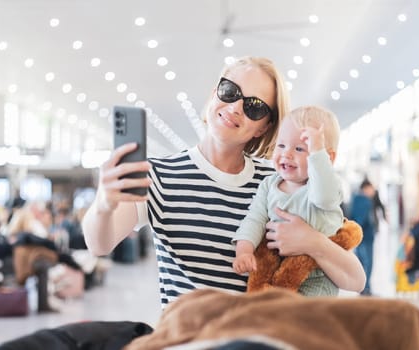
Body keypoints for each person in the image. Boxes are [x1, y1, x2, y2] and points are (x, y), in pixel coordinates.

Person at [82, 56, 366, 307]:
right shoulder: (158, 175)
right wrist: (104, 204)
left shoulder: (278, 185)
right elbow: (100, 244)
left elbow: (354, 277)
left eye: (254, 107)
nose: (235, 107)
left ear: (265, 126)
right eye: (230, 91)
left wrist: (312, 242)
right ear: (214, 93)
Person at [232, 105, 344, 296]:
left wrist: (318, 155)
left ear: (328, 158)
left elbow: (325, 198)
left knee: (301, 320)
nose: (287, 154)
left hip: (317, 275)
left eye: (300, 148)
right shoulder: (269, 185)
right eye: (281, 145)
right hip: (278, 270)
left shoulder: (322, 186)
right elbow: (255, 219)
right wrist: (244, 250)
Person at [350, 179, 376, 295]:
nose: (373, 191)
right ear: (366, 188)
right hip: (366, 236)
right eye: (371, 188)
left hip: (358, 237)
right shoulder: (366, 201)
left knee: (360, 262)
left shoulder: (355, 199)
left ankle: (362, 287)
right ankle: (366, 288)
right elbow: (363, 219)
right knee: (368, 262)